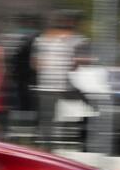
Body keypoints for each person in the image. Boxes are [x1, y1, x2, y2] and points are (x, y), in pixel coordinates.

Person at [32, 13, 87, 150]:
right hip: (60, 85)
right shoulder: (72, 39)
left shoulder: (43, 39)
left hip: (52, 85)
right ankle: (50, 147)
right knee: (51, 118)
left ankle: (48, 146)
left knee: (49, 118)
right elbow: (78, 61)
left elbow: (36, 64)